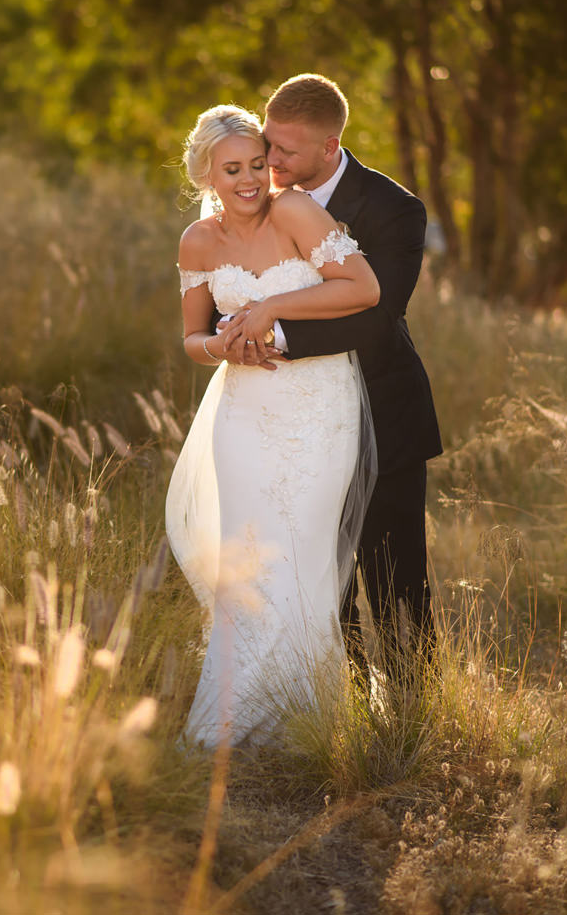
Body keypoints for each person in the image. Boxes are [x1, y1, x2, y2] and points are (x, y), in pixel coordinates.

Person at [217, 73, 442, 686]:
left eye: (287, 151)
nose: (272, 161)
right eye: (269, 144)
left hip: (380, 410)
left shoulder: (395, 209)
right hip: (287, 422)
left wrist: (275, 334)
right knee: (313, 573)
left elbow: (379, 313)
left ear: (329, 145)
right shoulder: (253, 191)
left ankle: (414, 712)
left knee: (394, 574)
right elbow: (228, 275)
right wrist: (231, 327)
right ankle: (334, 704)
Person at [166, 104, 380, 748]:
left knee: (303, 550)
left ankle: (310, 721)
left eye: (257, 164)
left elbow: (363, 287)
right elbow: (192, 340)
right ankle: (231, 720)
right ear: (205, 173)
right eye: (233, 169)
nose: (251, 179)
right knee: (249, 557)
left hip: (318, 404)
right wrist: (224, 348)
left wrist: (269, 309)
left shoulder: (294, 212)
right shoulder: (196, 243)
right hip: (244, 411)